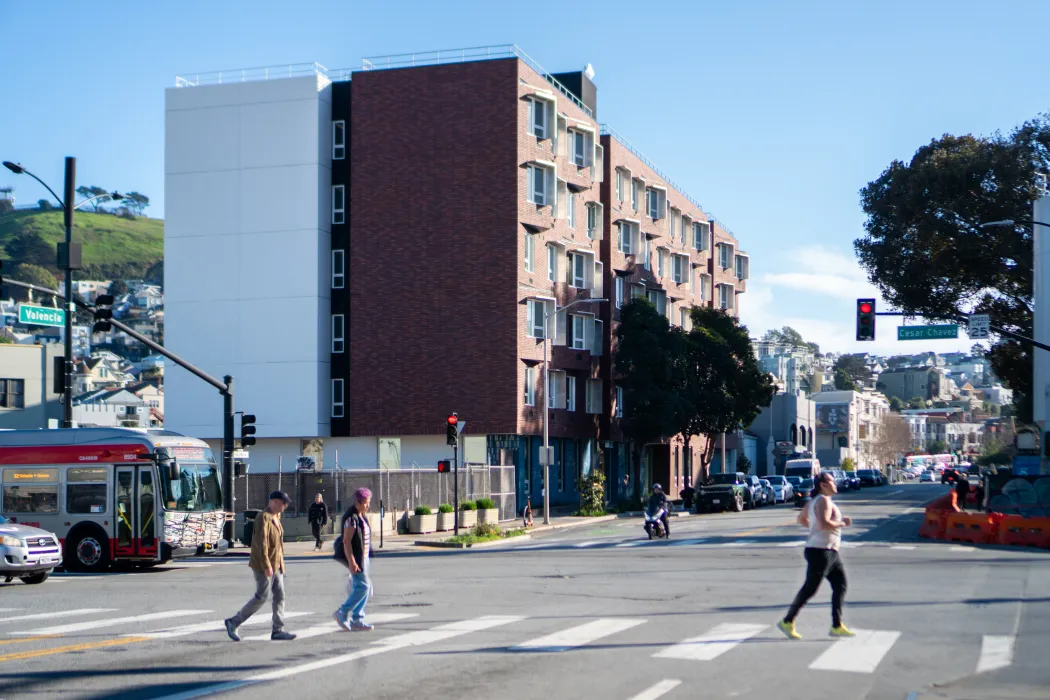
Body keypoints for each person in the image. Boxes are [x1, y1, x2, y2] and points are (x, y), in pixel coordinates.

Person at [777, 471, 854, 640]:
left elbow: (801, 519)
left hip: (828, 551)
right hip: (821, 551)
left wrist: (813, 529)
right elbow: (825, 523)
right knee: (810, 589)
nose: (835, 484)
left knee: (840, 585)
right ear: (823, 485)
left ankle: (836, 625)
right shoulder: (824, 501)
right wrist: (843, 523)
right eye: (832, 481)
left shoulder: (814, 501)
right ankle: (787, 621)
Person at [225, 491, 296, 641]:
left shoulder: (276, 517)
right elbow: (261, 543)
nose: (285, 506)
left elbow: (278, 545)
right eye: (284, 503)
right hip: (263, 564)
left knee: (280, 595)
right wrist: (266, 565)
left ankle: (278, 630)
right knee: (261, 596)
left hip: (276, 564)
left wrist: (281, 565)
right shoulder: (263, 517)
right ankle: (233, 622)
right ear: (275, 502)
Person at [333, 487, 375, 632]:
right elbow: (347, 542)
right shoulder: (351, 518)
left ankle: (357, 619)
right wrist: (352, 562)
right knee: (363, 587)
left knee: (366, 587)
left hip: (364, 557)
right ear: (358, 502)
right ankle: (342, 612)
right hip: (357, 558)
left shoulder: (361, 515)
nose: (368, 505)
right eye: (365, 503)